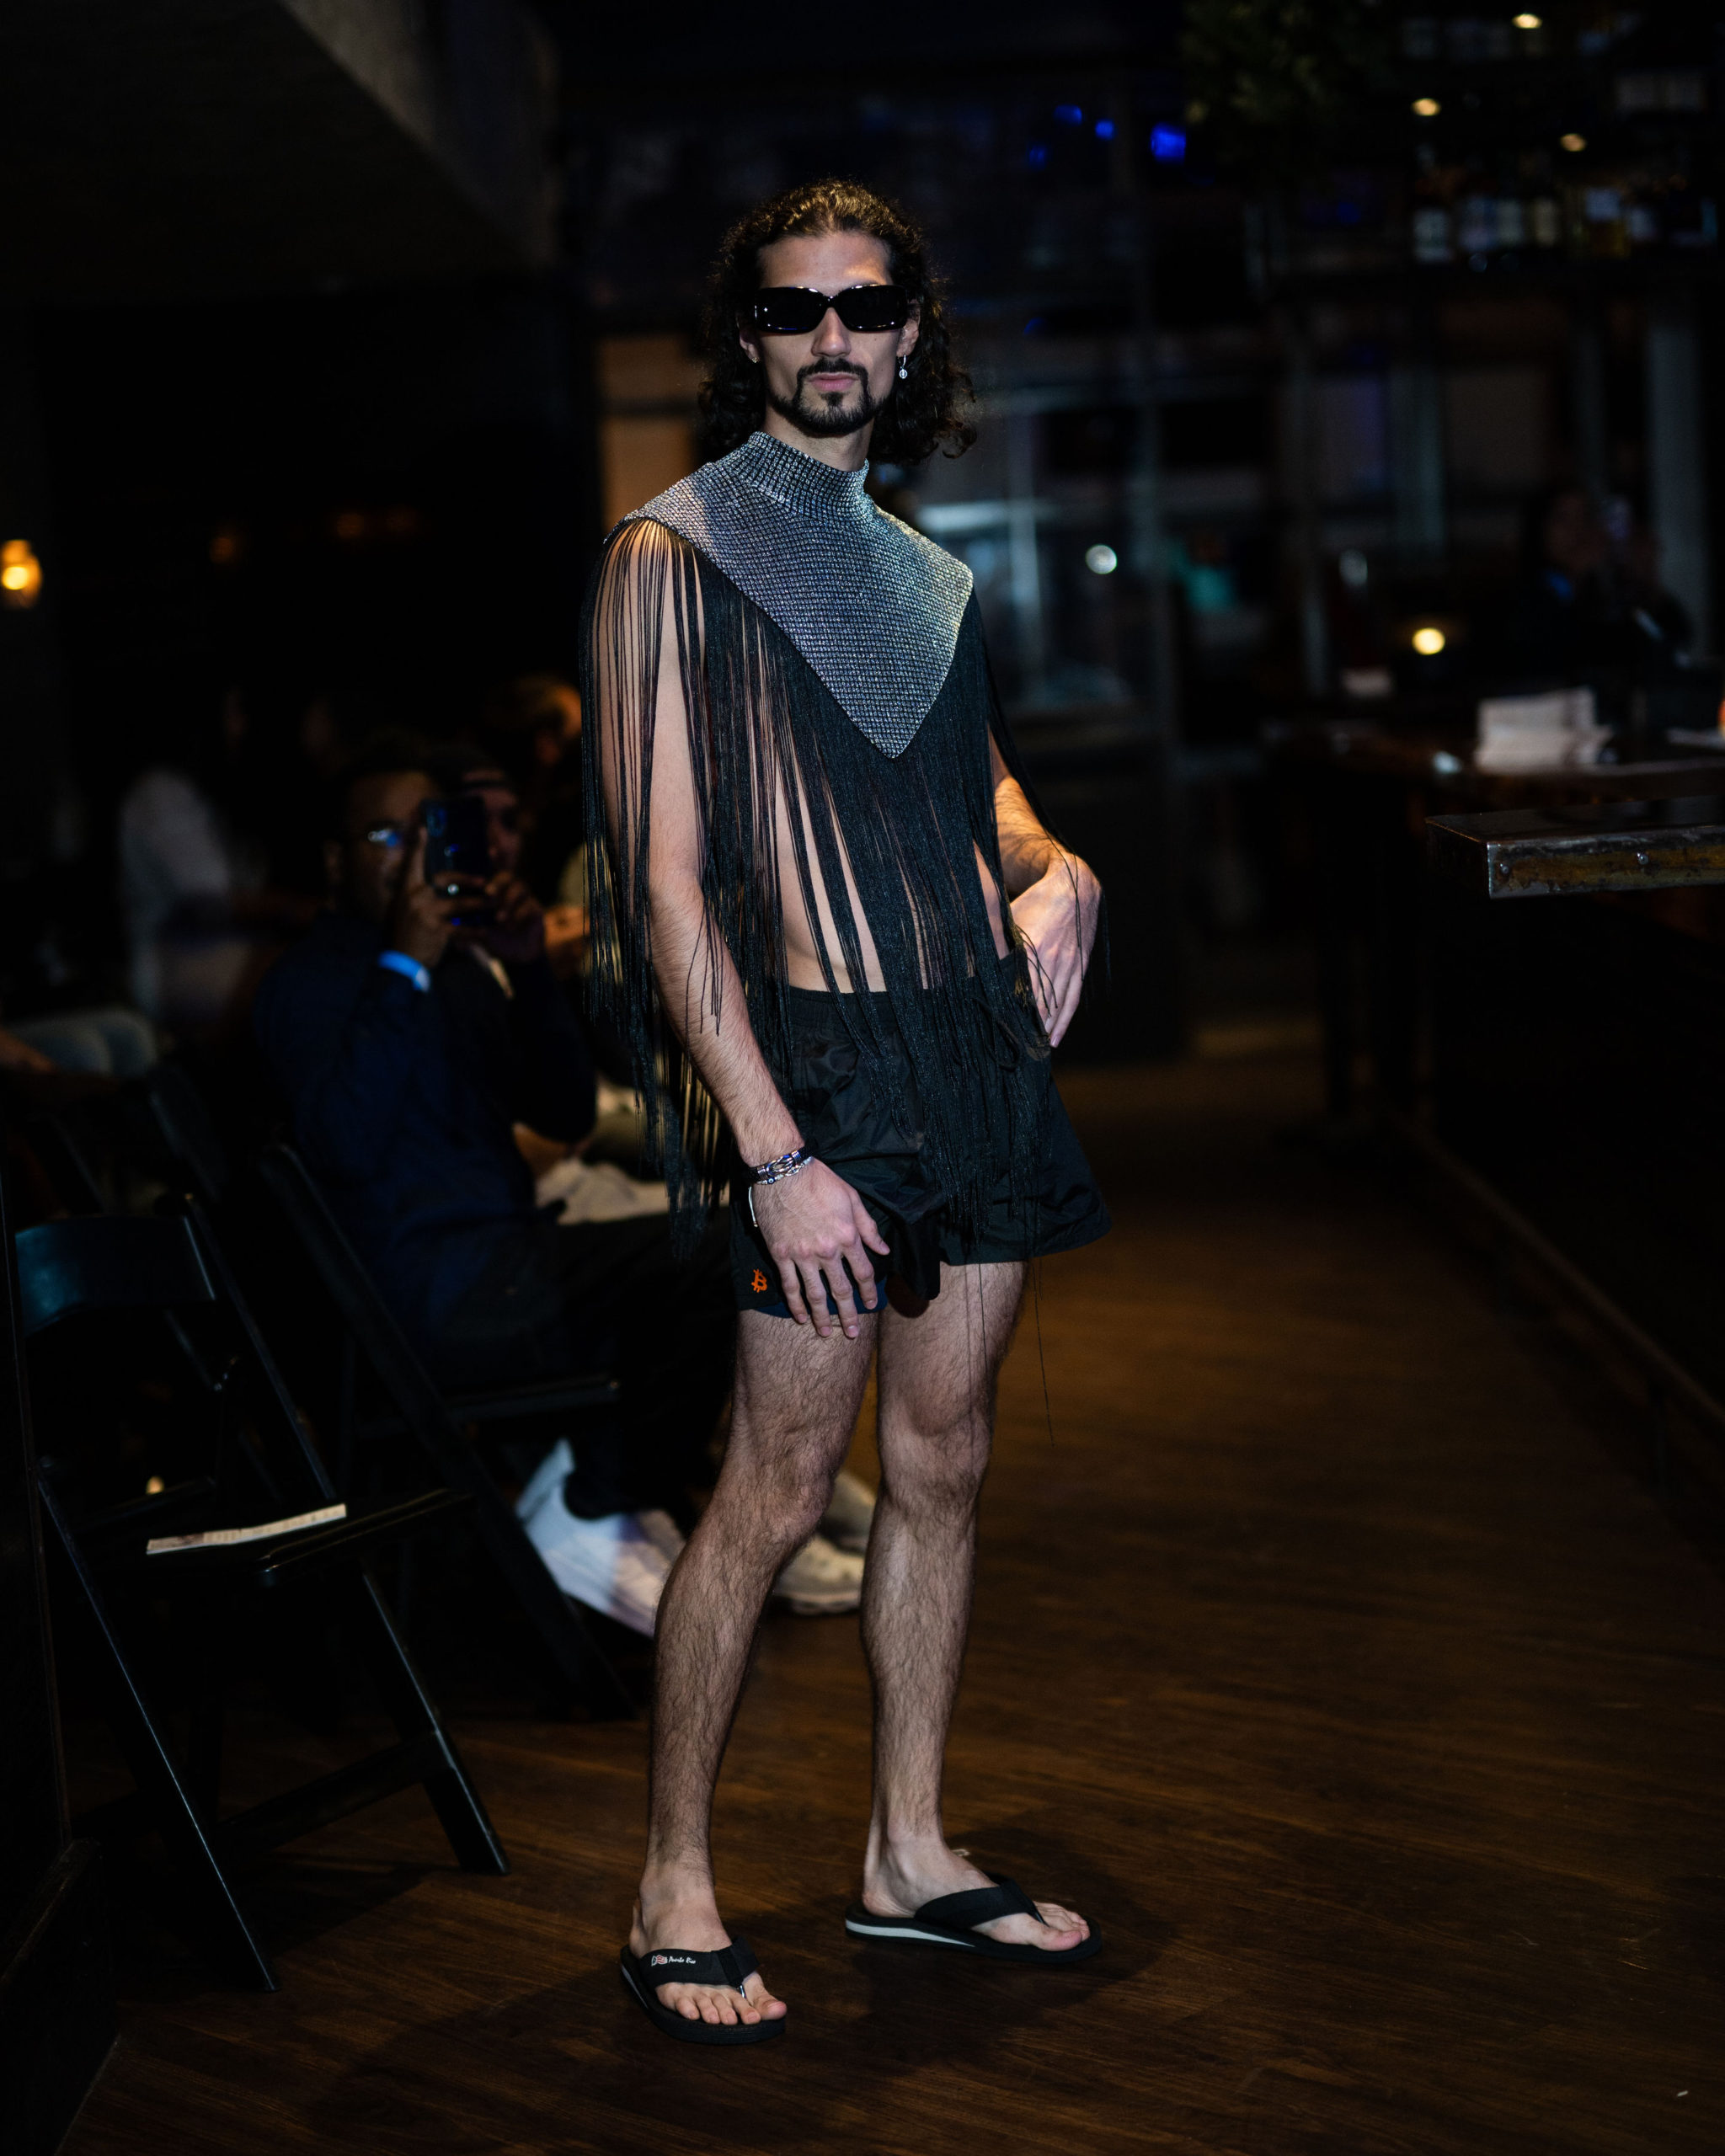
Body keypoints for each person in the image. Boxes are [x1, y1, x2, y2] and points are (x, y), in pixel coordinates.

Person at [586, 179, 1109, 2044]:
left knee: (945, 1461)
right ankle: (671, 1885)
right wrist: (776, 1151)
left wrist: (1056, 866)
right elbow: (661, 888)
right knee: (775, 1486)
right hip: (816, 1077)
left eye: (863, 307)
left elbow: (987, 795)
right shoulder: (671, 555)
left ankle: (906, 1851)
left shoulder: (924, 573)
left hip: (972, 1054)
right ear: (749, 338)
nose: (831, 338)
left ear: (907, 336)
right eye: (795, 308)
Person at [254, 736, 859, 1632]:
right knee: (715, 1257)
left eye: (428, 832)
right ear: (336, 861)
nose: (413, 857)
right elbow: (342, 1145)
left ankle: (609, 1496)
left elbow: (565, 1110)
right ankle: (596, 1499)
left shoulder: (455, 969)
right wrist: (405, 966)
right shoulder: (306, 984)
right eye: (386, 837)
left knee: (734, 1245)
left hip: (505, 1262)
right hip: (418, 1298)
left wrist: (528, 964)